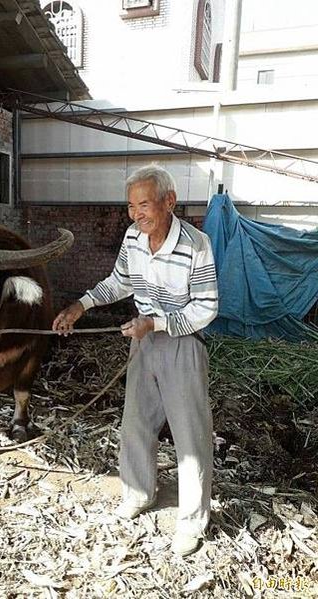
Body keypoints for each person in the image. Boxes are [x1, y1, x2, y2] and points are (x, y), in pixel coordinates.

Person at [52, 164, 218, 557]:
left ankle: (193, 520)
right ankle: (139, 493)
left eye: (143, 204)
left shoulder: (197, 245)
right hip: (143, 344)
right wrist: (82, 304)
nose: (136, 214)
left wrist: (157, 322)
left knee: (190, 436)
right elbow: (121, 280)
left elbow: (207, 306)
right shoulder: (133, 238)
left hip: (182, 344)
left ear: (169, 201)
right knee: (136, 422)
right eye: (130, 206)